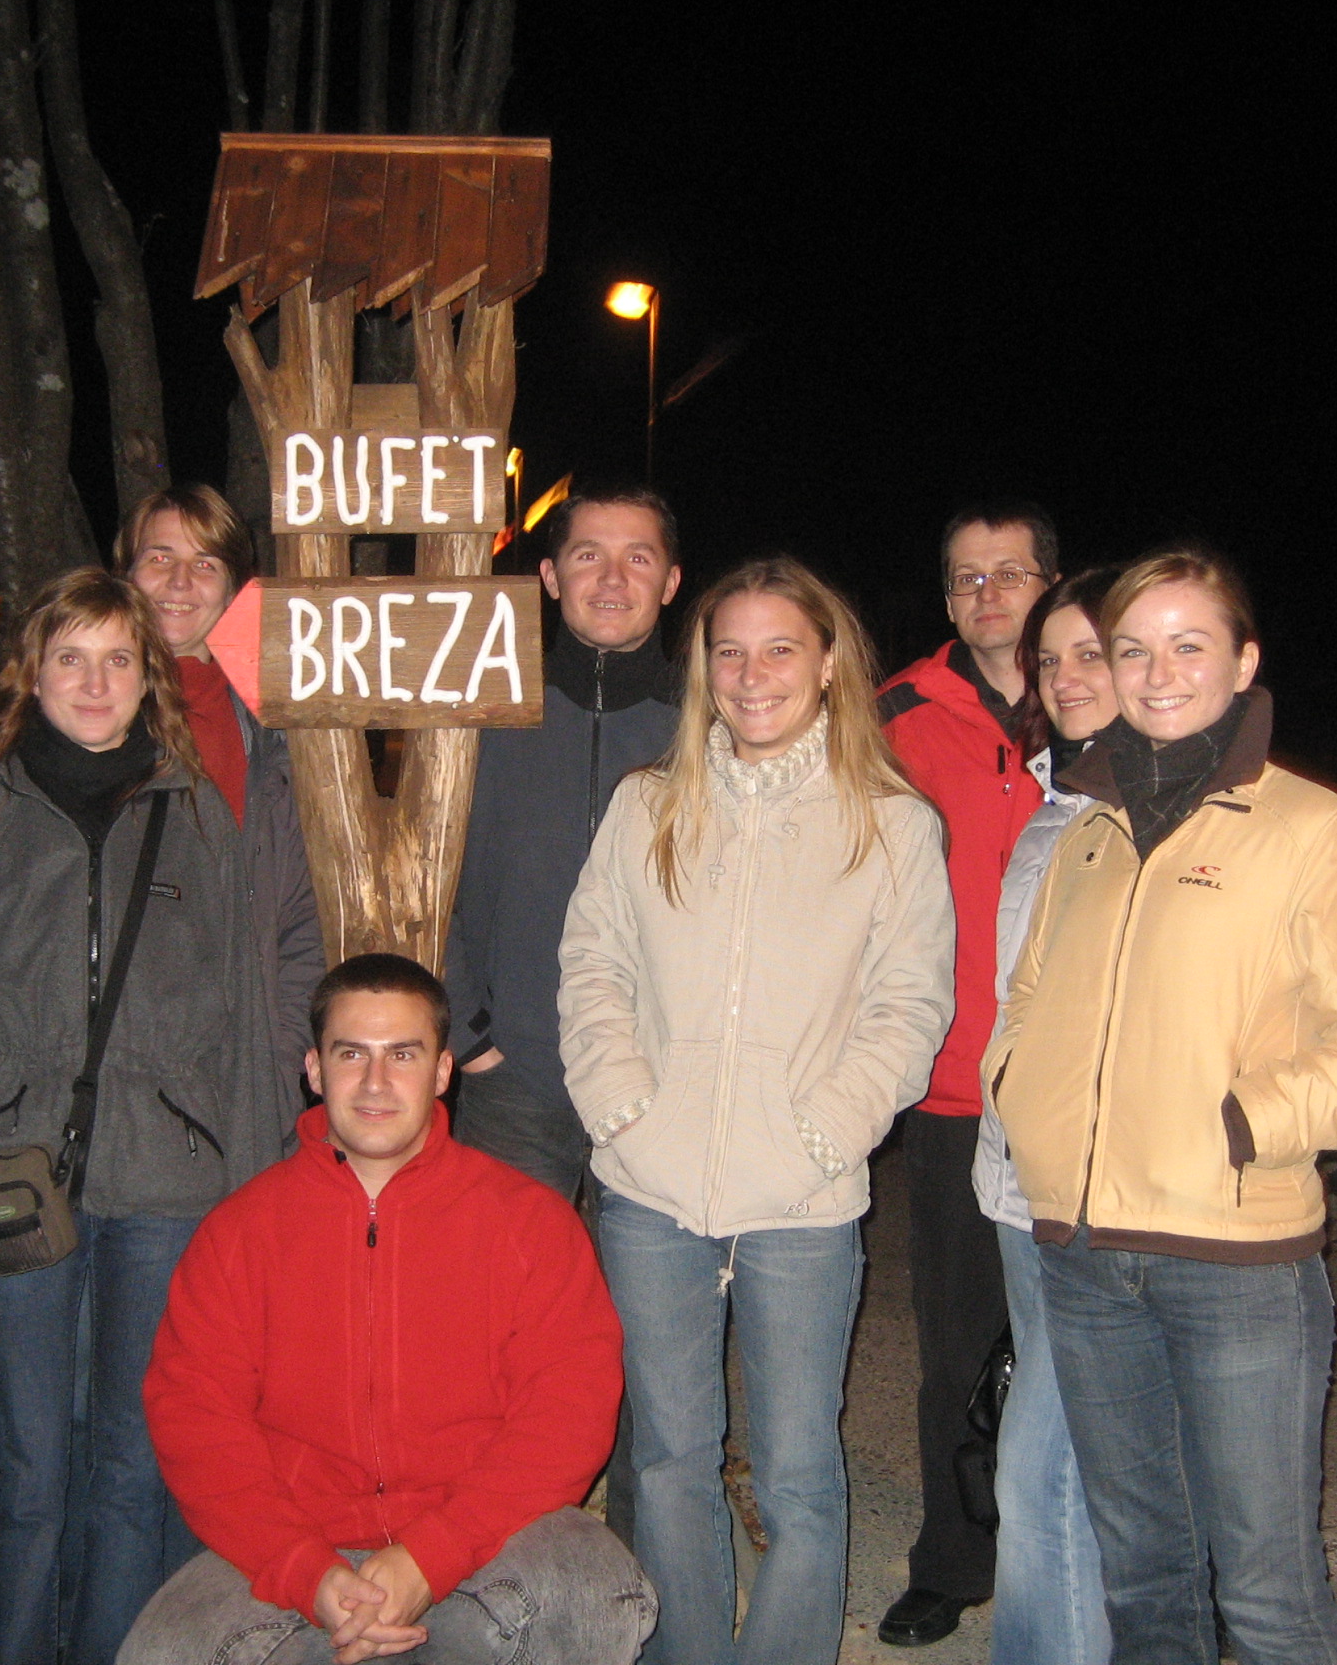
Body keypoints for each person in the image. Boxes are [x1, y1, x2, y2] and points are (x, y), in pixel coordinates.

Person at [986, 550, 1337, 1665]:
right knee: (1144, 1580)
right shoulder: (1089, 831)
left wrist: (1248, 1124)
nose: (1158, 673)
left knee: (1267, 1593)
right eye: (1133, 649)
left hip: (1236, 1267)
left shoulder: (1311, 830)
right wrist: (1025, 1101)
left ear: (1243, 664)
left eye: (1188, 646)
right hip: (1085, 1257)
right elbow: (1030, 999)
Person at [0, 568, 323, 1665]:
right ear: (31, 676)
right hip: (15, 1174)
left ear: (148, 677)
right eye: (70, 657)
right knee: (32, 1467)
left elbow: (247, 1009)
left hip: (170, 1185)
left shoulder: (199, 817)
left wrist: (253, 1181)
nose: (94, 681)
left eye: (119, 659)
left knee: (133, 1461)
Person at [560, 556, 955, 1665]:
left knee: (797, 1471)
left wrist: (823, 1133)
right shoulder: (648, 804)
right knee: (668, 1461)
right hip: (651, 1191)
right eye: (728, 650)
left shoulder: (890, 823)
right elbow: (593, 964)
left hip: (803, 1200)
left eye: (780, 648)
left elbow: (909, 1005)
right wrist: (622, 1108)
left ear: (828, 665)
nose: (751, 673)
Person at [127, 954, 654, 1665]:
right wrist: (305, 1572)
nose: (376, 1082)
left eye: (403, 1055)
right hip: (299, 1552)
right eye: (352, 1054)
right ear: (314, 1070)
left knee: (597, 1595)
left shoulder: (528, 1223)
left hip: (487, 1543)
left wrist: (429, 1556)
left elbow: (567, 1415)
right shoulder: (239, 1234)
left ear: (442, 1072)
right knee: (166, 1649)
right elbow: (196, 1422)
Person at [872, 504, 1058, 1646]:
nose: (987, 594)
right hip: (952, 1086)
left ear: (1050, 585)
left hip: (1080, 1085)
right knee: (958, 1345)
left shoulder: (1099, 698)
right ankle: (955, 1558)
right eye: (966, 578)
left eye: (1010, 574)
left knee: (1094, 1346)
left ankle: (1106, 1552)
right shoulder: (896, 713)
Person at [446, 485, 683, 1201]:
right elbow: (429, 876)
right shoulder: (483, 713)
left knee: (640, 1283)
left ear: (670, 582)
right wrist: (469, 1038)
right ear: (549, 578)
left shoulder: (708, 728)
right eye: (587, 556)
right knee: (507, 1276)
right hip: (510, 1080)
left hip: (660, 1082)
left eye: (637, 558)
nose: (612, 579)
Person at [969, 568, 1123, 1665]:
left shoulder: (1156, 813)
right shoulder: (1052, 810)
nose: (1066, 678)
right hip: (1020, 1187)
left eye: (1093, 654)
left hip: (1104, 1197)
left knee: (1047, 1475)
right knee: (1061, 1466)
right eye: (1051, 659)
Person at [113, 484, 262, 826]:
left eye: (205, 564)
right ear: (127, 577)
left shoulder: (271, 718)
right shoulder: (88, 702)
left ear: (232, 591)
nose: (180, 581)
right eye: (160, 558)